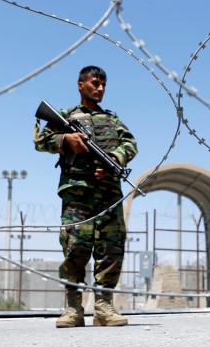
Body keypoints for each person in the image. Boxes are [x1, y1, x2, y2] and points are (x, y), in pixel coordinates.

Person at [34, 65, 138, 328]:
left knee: (111, 248)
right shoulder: (66, 116)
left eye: (103, 84)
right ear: (81, 85)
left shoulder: (113, 120)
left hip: (109, 194)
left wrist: (115, 157)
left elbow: (131, 144)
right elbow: (40, 141)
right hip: (77, 192)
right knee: (75, 247)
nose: (100, 88)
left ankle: (103, 307)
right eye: (95, 83)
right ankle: (73, 308)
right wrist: (66, 139)